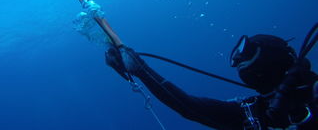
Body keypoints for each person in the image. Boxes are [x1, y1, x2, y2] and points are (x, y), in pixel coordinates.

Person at [106, 31, 318, 129]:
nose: (236, 61)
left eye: (244, 53)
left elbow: (191, 108)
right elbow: (190, 107)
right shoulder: (253, 111)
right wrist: (141, 70)